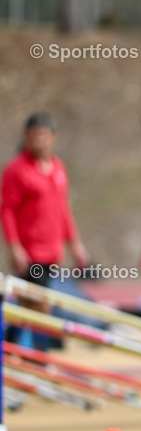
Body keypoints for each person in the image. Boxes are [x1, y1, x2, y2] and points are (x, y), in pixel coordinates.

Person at [1, 112, 88, 349]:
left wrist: (75, 244)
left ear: (53, 137)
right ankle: (39, 357)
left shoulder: (58, 168)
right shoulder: (16, 170)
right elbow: (7, 211)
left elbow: (62, 209)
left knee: (28, 306)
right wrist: (14, 246)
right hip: (30, 251)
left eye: (42, 135)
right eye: (33, 135)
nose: (38, 140)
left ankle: (14, 351)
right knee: (38, 306)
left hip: (52, 251)